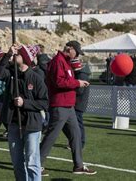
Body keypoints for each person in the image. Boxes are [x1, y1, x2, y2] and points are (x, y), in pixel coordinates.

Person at [39, 41, 96, 176]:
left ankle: (78, 166)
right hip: (60, 105)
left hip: (68, 105)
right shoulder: (58, 61)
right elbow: (59, 82)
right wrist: (77, 83)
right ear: (70, 49)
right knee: (51, 136)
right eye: (76, 52)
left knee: (76, 135)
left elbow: (65, 80)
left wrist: (76, 76)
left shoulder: (64, 61)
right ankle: (37, 164)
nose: (76, 56)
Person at [0, 44, 48, 181]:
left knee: (32, 162)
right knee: (17, 162)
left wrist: (25, 103)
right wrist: (8, 54)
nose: (14, 55)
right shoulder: (11, 73)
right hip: (13, 124)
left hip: (31, 125)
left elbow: (44, 102)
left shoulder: (36, 78)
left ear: (25, 58)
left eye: (17, 54)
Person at [62, 58, 90, 149]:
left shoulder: (81, 75)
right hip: (78, 102)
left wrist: (71, 86)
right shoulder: (81, 74)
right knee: (75, 124)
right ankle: (75, 141)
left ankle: (80, 143)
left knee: (78, 124)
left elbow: (80, 91)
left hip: (78, 103)